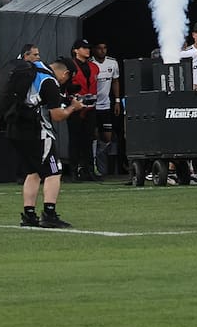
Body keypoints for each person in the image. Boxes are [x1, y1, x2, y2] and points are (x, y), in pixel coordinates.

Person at [7, 46, 87, 229]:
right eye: (67, 78)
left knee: (33, 173)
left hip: (16, 127)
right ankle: (49, 214)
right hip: (38, 131)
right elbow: (57, 115)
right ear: (65, 73)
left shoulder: (33, 70)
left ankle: (29, 215)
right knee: (53, 172)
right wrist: (73, 108)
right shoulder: (49, 81)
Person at [67, 38, 98, 181]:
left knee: (89, 139)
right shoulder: (69, 66)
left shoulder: (94, 66)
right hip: (75, 107)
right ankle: (73, 171)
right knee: (75, 140)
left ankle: (89, 170)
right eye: (84, 48)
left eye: (88, 48)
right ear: (76, 50)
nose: (87, 50)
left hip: (90, 107)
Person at [91, 40, 121, 177]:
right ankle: (93, 164)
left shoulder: (112, 63)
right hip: (93, 106)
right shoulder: (91, 64)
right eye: (99, 48)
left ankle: (97, 154)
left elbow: (115, 81)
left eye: (104, 48)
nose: (102, 51)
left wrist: (117, 101)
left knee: (108, 137)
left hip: (106, 105)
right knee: (95, 134)